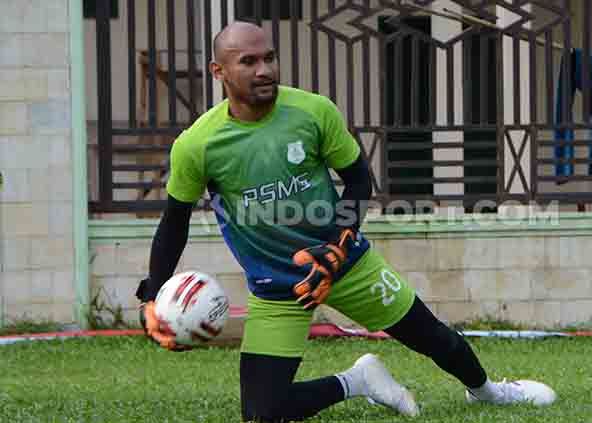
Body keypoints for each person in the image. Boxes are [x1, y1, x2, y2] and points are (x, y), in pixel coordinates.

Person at [135, 21, 556, 423]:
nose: (264, 70)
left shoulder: (312, 111)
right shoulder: (197, 145)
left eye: (269, 58)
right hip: (278, 287)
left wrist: (336, 249)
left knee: (435, 338)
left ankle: (489, 392)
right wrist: (154, 298)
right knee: (263, 412)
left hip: (346, 264)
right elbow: (174, 223)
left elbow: (358, 181)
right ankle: (359, 380)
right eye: (248, 61)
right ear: (219, 71)